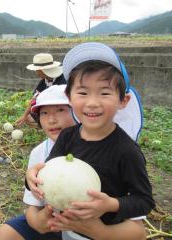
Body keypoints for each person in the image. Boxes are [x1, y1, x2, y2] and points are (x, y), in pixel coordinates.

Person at [26, 42, 155, 239]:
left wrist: (110, 205)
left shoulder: (127, 151)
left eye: (104, 92)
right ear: (69, 97)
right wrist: (32, 178)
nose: (92, 103)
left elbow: (144, 201)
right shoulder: (67, 137)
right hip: (69, 232)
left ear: (123, 101)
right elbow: (50, 174)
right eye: (83, 93)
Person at [0, 84, 76, 240]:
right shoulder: (38, 153)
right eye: (44, 113)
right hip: (51, 220)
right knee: (3, 235)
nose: (51, 120)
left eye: (60, 110)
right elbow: (33, 207)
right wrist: (38, 222)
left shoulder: (93, 148)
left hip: (88, 226)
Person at [15, 53, 66, 127]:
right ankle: (46, 125)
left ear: (42, 70)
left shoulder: (63, 80)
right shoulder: (45, 81)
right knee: (28, 118)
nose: (36, 73)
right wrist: (24, 116)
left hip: (62, 111)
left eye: (37, 70)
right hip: (49, 110)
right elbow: (34, 99)